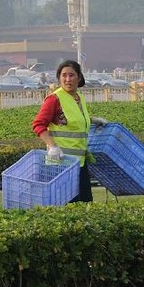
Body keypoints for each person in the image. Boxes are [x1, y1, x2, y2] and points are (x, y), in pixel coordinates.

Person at [32, 60, 108, 203]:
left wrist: (91, 120)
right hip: (61, 163)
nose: (67, 79)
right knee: (68, 206)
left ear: (79, 77)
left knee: (85, 205)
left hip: (79, 162)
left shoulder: (79, 98)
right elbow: (38, 124)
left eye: (71, 75)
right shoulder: (54, 99)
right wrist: (52, 146)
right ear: (59, 78)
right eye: (64, 75)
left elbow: (71, 120)